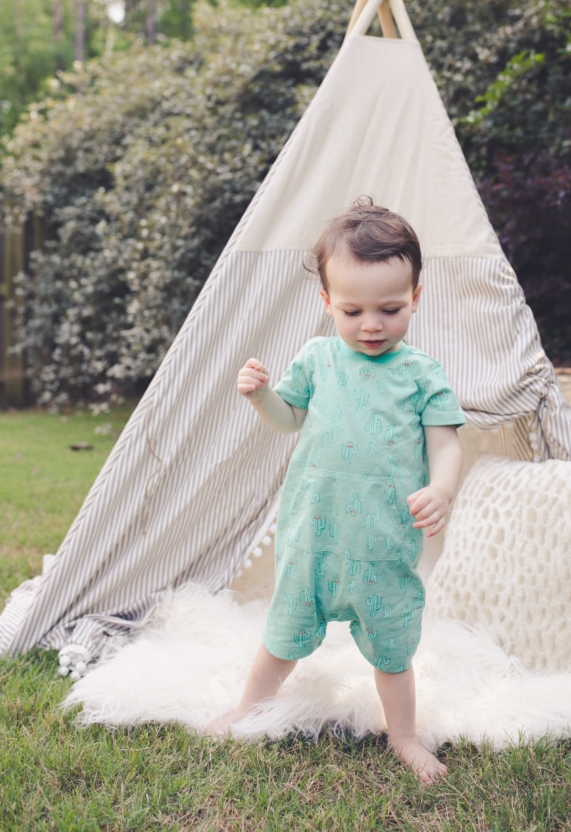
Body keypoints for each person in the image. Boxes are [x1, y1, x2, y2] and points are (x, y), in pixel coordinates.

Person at [206, 200, 465, 782]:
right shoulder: (317, 358)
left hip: (383, 540)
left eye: (390, 308)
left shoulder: (422, 372)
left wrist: (443, 490)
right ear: (327, 303)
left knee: (393, 646)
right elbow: (288, 420)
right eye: (352, 310)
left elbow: (446, 444)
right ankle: (250, 707)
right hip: (313, 533)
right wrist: (259, 398)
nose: (371, 324)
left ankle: (403, 734)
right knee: (284, 632)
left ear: (416, 297)